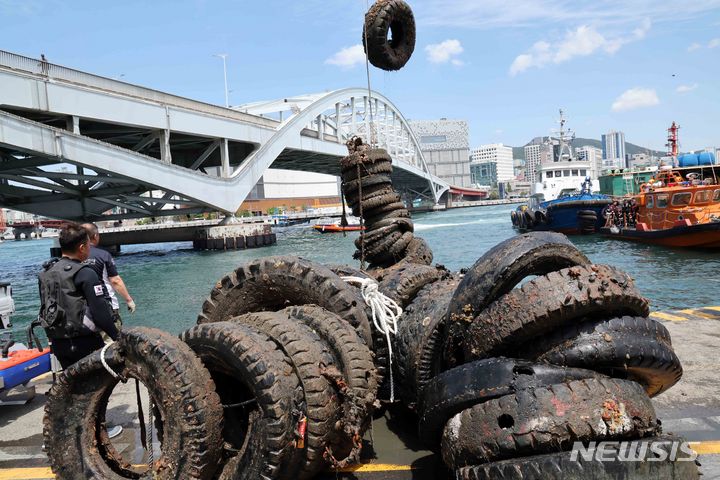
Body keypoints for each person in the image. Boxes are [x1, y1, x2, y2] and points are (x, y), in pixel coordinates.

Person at [37, 223, 122, 437]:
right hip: (84, 341)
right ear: (83, 247)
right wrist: (118, 337)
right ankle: (96, 430)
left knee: (72, 386)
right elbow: (100, 312)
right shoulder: (85, 272)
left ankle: (71, 428)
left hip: (58, 342)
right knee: (95, 389)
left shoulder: (48, 271)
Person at [81, 223, 136, 338]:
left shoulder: (74, 256)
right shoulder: (103, 255)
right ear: (95, 236)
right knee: (112, 343)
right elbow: (115, 281)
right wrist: (129, 300)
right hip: (106, 306)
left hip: (81, 310)